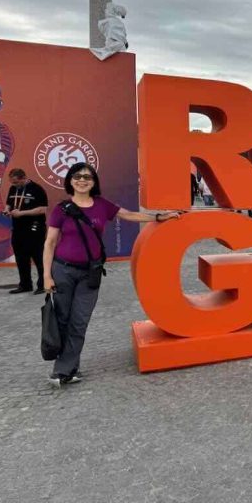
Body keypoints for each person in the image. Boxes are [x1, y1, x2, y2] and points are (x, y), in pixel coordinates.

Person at [42, 163, 181, 388]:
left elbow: (129, 215)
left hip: (90, 273)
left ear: (94, 181)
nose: (82, 180)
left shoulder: (101, 206)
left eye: (88, 176)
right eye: (77, 176)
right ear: (70, 180)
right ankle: (69, 366)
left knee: (79, 321)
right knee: (62, 319)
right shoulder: (62, 209)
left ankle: (63, 370)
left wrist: (158, 218)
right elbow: (49, 243)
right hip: (63, 270)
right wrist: (47, 276)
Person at [3, 169, 48, 293]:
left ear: (24, 177)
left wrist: (21, 213)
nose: (14, 185)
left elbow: (43, 209)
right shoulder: (13, 189)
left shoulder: (37, 189)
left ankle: (44, 285)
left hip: (35, 228)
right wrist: (7, 210)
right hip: (18, 229)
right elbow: (9, 204)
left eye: (16, 182)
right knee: (21, 258)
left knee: (38, 257)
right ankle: (25, 284)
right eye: (12, 183)